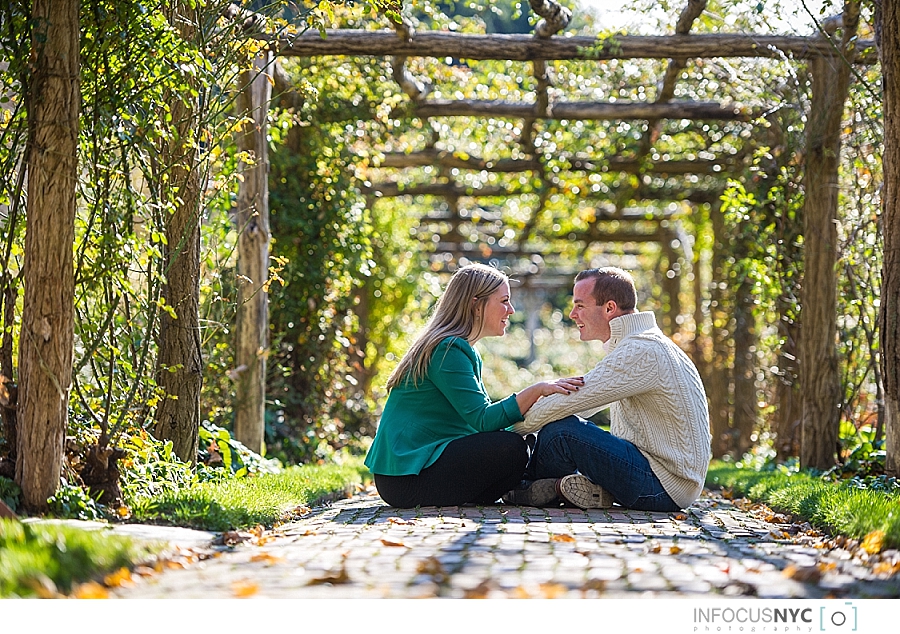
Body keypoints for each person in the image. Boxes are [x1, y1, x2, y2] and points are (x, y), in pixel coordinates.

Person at [365, 263, 584, 508]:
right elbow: (483, 419)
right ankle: (527, 486)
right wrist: (538, 390)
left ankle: (525, 487)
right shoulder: (447, 350)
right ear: (476, 304)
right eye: (504, 301)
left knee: (515, 445)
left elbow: (480, 423)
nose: (511, 310)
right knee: (510, 449)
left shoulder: (461, 349)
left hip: (414, 472)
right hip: (406, 480)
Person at [503, 266, 711, 511]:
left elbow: (568, 403)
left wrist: (501, 429)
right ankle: (564, 487)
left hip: (662, 486)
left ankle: (522, 488)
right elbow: (585, 404)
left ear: (609, 308)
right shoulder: (645, 343)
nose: (572, 314)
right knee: (563, 427)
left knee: (561, 432)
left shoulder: (640, 351)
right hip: (665, 479)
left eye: (580, 306)